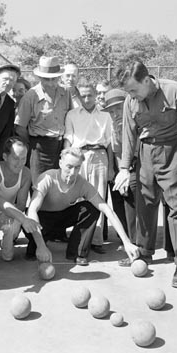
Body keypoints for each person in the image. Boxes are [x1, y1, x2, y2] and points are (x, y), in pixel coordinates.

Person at [114, 61, 177, 289]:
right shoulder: (130, 101)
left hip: (174, 151)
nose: (131, 95)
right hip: (146, 154)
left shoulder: (173, 90)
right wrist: (124, 168)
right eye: (128, 92)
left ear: (147, 80)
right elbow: (129, 134)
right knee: (145, 203)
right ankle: (144, 252)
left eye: (134, 89)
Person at [25, 148, 140, 265]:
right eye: (69, 167)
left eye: (77, 167)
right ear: (60, 163)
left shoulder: (82, 184)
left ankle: (76, 253)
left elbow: (107, 210)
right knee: (32, 251)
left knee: (92, 208)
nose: (73, 172)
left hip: (62, 218)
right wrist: (41, 246)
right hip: (42, 222)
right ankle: (38, 244)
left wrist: (126, 242)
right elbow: (32, 210)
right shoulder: (47, 178)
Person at [64, 80, 113, 254]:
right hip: (78, 156)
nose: (87, 99)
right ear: (78, 96)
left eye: (90, 95)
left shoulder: (105, 116)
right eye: (83, 96)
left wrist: (112, 168)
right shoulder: (72, 114)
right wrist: (66, 161)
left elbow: (109, 143)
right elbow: (68, 138)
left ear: (96, 95)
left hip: (99, 156)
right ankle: (79, 238)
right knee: (78, 198)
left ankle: (96, 240)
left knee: (98, 196)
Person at [15, 56, 71, 184]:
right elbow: (20, 127)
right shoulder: (30, 96)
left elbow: (69, 117)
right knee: (39, 186)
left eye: (54, 79)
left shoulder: (65, 92)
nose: (51, 83)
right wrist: (33, 145)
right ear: (39, 77)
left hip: (61, 148)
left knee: (59, 187)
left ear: (59, 77)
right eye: (46, 79)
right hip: (39, 148)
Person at [0, 137, 36, 262]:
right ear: (5, 157)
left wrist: (13, 217)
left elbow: (21, 204)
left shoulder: (26, 173)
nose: (20, 163)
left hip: (7, 209)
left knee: (13, 224)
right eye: (16, 158)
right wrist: (21, 218)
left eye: (23, 159)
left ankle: (7, 250)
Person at [102, 89, 139, 248]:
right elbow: (117, 152)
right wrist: (121, 174)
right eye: (111, 112)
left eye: (118, 109)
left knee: (131, 196)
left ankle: (136, 240)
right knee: (118, 191)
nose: (115, 114)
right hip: (124, 165)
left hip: (140, 164)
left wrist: (129, 173)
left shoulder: (137, 122)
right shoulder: (115, 128)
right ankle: (125, 236)